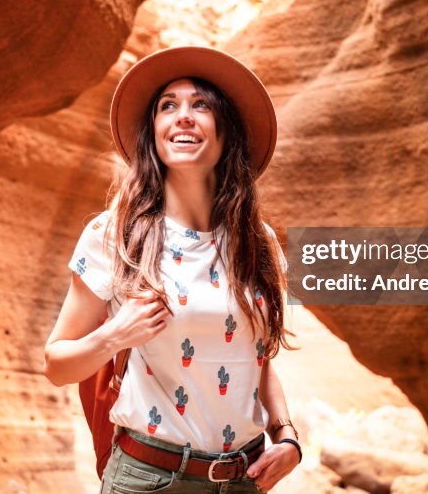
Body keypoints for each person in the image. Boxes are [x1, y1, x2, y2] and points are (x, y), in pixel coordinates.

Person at [44, 46, 300, 493]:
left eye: (201, 104)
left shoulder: (259, 242)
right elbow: (57, 365)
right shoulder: (115, 234)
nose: (183, 115)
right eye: (168, 106)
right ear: (154, 133)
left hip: (244, 480)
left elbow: (256, 360)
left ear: (227, 133)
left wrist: (288, 437)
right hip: (151, 479)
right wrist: (114, 335)